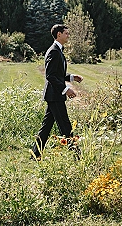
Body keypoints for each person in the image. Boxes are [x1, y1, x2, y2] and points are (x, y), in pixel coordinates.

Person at [31, 24, 83, 160]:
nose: (68, 35)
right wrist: (66, 89)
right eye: (66, 33)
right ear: (58, 34)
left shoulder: (58, 50)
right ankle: (77, 156)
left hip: (54, 96)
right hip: (55, 96)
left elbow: (58, 74)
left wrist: (71, 77)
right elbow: (50, 76)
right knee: (65, 126)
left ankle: (35, 154)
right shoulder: (54, 51)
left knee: (46, 128)